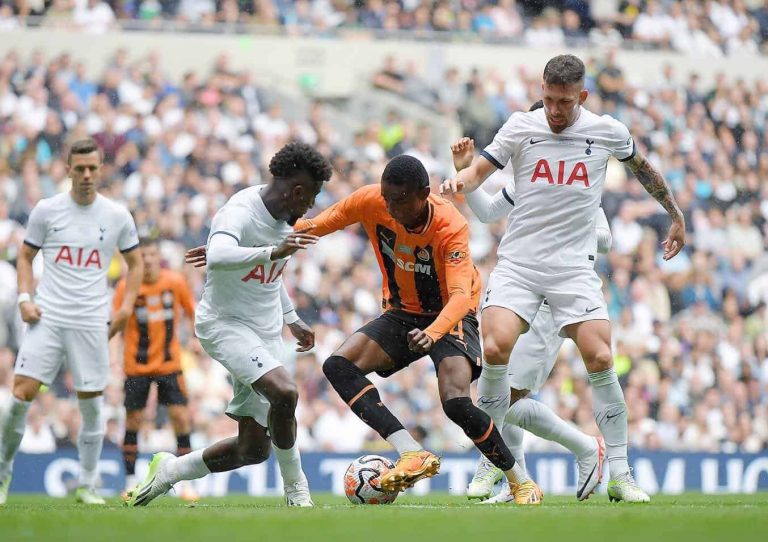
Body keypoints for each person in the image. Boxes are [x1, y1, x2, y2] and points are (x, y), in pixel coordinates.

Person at [441, 55, 686, 504]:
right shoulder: (521, 126)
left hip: (572, 271)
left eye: (564, 102)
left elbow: (644, 170)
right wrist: (461, 179)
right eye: (549, 99)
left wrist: (674, 213)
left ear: (582, 97)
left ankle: (620, 473)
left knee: (600, 356)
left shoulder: (606, 130)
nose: (554, 110)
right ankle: (493, 464)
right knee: (495, 350)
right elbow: (482, 174)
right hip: (519, 264)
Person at [298, 154, 541, 504]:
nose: (391, 207)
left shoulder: (450, 225)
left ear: (424, 193)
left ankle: (520, 481)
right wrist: (265, 245)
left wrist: (435, 331)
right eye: (387, 198)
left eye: (400, 200)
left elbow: (460, 296)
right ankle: (410, 451)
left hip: (451, 314)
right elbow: (321, 224)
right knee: (338, 365)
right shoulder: (371, 201)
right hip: (402, 313)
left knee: (455, 401)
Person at [125, 141, 332, 507]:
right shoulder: (239, 210)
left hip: (265, 330)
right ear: (297, 191)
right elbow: (218, 255)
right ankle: (297, 490)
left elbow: (269, 273)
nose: (311, 206)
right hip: (225, 324)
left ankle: (169, 471)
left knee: (253, 449)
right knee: (285, 392)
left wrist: (292, 318)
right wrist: (273, 251)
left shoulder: (287, 221)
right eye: (311, 197)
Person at [451, 131, 607, 502]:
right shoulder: (528, 180)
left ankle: (583, 449)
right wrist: (465, 172)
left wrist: (559, 229)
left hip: (552, 301)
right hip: (517, 294)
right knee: (497, 385)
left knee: (510, 394)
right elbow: (488, 212)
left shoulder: (580, 187)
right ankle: (516, 478)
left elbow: (605, 238)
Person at [0, 138, 142, 505]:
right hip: (48, 315)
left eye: (93, 168)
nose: (86, 175)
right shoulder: (47, 210)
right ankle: (2, 474)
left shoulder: (116, 216)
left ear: (101, 169)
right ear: (68, 170)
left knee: (92, 404)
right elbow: (25, 257)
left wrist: (125, 307)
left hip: (92, 320)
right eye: (79, 168)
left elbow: (136, 263)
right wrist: (25, 298)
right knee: (20, 397)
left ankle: (87, 484)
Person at [113, 236, 197, 499]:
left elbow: (194, 313)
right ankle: (129, 480)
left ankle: (185, 482)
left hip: (169, 363)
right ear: (136, 259)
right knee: (134, 421)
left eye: (151, 254)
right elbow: (116, 324)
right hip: (135, 366)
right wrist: (112, 360)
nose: (147, 259)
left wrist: (197, 339)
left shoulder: (175, 282)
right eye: (143, 255)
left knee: (181, 419)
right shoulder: (126, 286)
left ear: (157, 256)